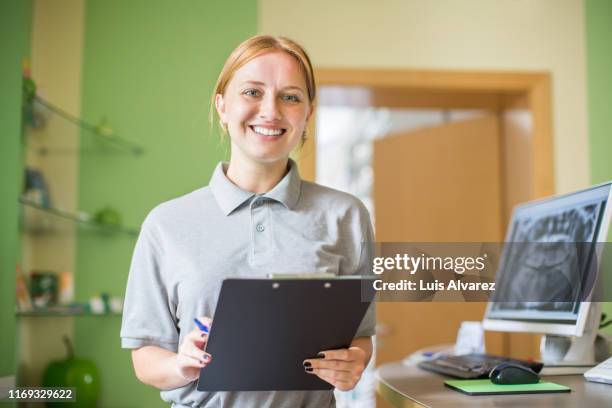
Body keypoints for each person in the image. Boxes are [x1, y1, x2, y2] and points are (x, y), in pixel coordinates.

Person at [120, 34, 375, 408]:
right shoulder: (165, 224)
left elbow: (361, 336)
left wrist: (354, 362)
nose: (270, 111)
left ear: (308, 114)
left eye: (290, 97)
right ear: (222, 106)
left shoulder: (346, 215)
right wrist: (183, 364)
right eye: (252, 92)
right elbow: (145, 357)